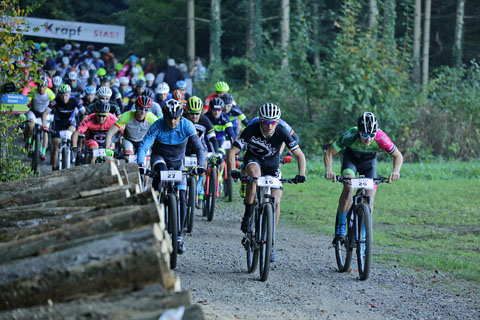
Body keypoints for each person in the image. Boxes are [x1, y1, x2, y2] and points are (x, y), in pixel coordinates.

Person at [227, 103, 306, 262]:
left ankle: (270, 241)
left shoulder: (282, 130)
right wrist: (233, 169)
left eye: (273, 122)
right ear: (260, 120)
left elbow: (300, 155)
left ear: (277, 122)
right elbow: (233, 151)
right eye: (266, 122)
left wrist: (301, 174)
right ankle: (248, 214)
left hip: (272, 163)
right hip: (253, 158)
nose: (269, 126)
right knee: (254, 176)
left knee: (276, 202)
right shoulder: (252, 128)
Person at [137, 99, 205, 254]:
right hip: (160, 158)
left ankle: (179, 237)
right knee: (160, 174)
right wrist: (141, 163)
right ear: (164, 117)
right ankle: (154, 208)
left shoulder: (187, 125)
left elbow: (199, 148)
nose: (173, 122)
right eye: (169, 118)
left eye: (176, 118)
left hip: (178, 163)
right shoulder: (158, 125)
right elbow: (145, 145)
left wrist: (200, 165)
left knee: (182, 197)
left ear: (181, 116)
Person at [324, 112, 403, 240]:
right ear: (359, 132)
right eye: (364, 135)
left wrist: (396, 171)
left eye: (371, 135)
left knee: (370, 198)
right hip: (351, 161)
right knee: (349, 187)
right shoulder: (351, 134)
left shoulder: (380, 137)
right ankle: (341, 225)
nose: (368, 139)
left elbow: (398, 156)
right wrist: (329, 170)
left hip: (369, 165)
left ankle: (365, 234)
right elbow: (329, 152)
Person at [184, 96, 220, 208]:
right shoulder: (182, 119)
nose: (194, 116)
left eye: (197, 114)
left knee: (204, 157)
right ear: (187, 111)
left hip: (198, 145)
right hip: (184, 146)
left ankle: (199, 185)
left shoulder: (205, 120)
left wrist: (216, 154)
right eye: (192, 113)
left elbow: (212, 139)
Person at [42, 84, 83, 171]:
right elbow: (45, 113)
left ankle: (73, 152)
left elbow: (84, 112)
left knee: (73, 132)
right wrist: (44, 125)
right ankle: (55, 168)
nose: (64, 98)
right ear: (59, 94)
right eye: (62, 95)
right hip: (58, 124)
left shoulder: (74, 100)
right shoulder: (55, 101)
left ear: (70, 94)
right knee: (56, 146)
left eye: (66, 95)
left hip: (70, 123)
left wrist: (82, 125)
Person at [105, 95, 158, 160]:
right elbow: (110, 132)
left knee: (145, 161)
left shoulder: (152, 118)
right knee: (129, 158)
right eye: (141, 108)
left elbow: (160, 135)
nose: (143, 112)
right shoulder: (127, 115)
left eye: (146, 110)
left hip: (143, 141)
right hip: (129, 140)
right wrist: (107, 149)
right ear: (136, 107)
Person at [71, 100, 118, 165]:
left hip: (107, 141)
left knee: (109, 158)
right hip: (92, 140)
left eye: (103, 116)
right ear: (95, 114)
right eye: (98, 116)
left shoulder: (113, 119)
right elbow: (76, 133)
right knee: (94, 152)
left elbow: (123, 129)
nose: (101, 118)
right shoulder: (90, 119)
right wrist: (74, 146)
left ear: (107, 114)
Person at [24, 75, 56, 160]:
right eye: (39, 86)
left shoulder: (50, 93)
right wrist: (23, 107)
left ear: (46, 86)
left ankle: (43, 152)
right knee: (30, 125)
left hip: (45, 114)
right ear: (37, 85)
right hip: (34, 111)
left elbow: (56, 102)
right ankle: (29, 142)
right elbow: (27, 101)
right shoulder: (33, 91)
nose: (41, 89)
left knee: (45, 131)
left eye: (43, 87)